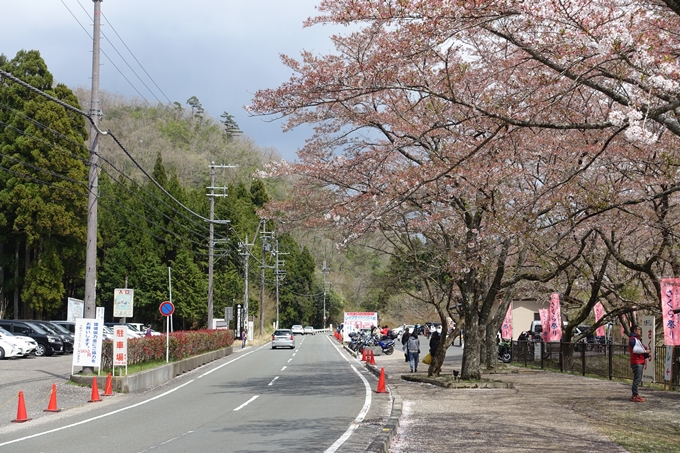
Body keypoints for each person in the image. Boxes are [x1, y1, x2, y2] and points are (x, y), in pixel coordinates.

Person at [628, 325, 650, 402]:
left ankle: (636, 394)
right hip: (637, 361)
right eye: (639, 329)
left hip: (639, 360)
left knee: (638, 379)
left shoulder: (636, 339)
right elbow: (636, 349)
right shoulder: (633, 339)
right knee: (637, 379)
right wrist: (645, 351)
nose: (640, 331)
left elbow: (641, 348)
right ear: (634, 330)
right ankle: (634, 395)